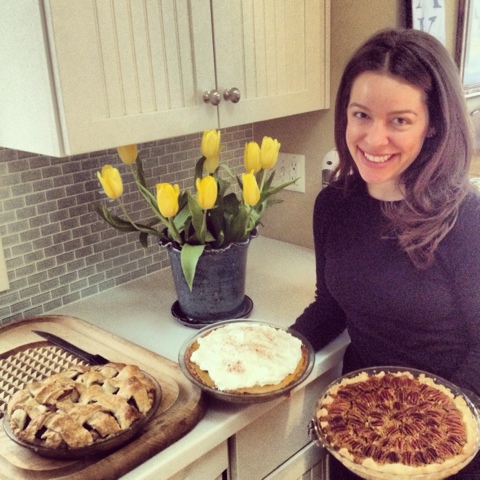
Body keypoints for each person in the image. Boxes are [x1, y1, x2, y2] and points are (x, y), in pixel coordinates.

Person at [291, 28, 480, 479]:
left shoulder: (467, 218)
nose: (374, 140)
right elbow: (330, 306)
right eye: (362, 115)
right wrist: (282, 354)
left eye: (399, 120)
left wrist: (425, 431)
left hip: (450, 438)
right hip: (358, 425)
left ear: (433, 124)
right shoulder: (333, 205)